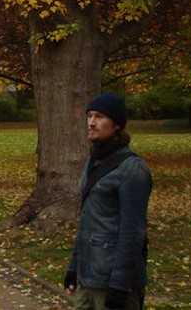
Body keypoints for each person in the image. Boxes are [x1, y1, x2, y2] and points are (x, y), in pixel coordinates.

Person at [65, 93, 152, 310]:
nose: (91, 122)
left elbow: (132, 231)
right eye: (90, 116)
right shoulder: (93, 161)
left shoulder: (132, 169)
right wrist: (74, 268)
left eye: (100, 117)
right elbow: (87, 221)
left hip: (114, 283)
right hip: (88, 276)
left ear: (116, 126)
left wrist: (119, 285)